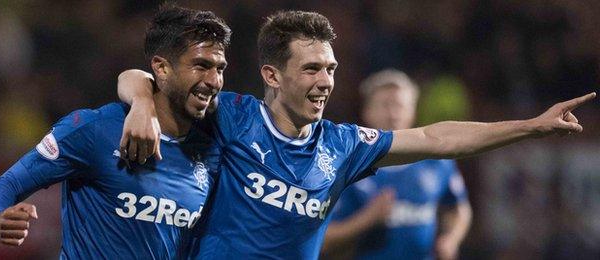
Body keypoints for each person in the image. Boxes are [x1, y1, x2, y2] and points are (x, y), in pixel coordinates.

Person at [117, 10, 595, 259]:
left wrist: (531, 126)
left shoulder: (342, 146)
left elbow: (436, 139)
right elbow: (144, 78)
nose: (325, 80)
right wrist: (140, 102)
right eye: (310, 69)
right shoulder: (233, 116)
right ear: (272, 75)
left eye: (330, 68)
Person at [0, 4, 230, 258]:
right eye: (200, 66)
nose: (214, 81)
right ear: (162, 68)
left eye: (219, 69)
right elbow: (4, 186)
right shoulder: (94, 130)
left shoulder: (213, 147)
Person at [322, 69, 472, 260]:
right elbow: (323, 240)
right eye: (385, 105)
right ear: (366, 111)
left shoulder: (436, 162)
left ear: (413, 111)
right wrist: (367, 219)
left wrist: (451, 239)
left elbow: (458, 208)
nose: (393, 114)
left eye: (400, 106)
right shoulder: (347, 168)